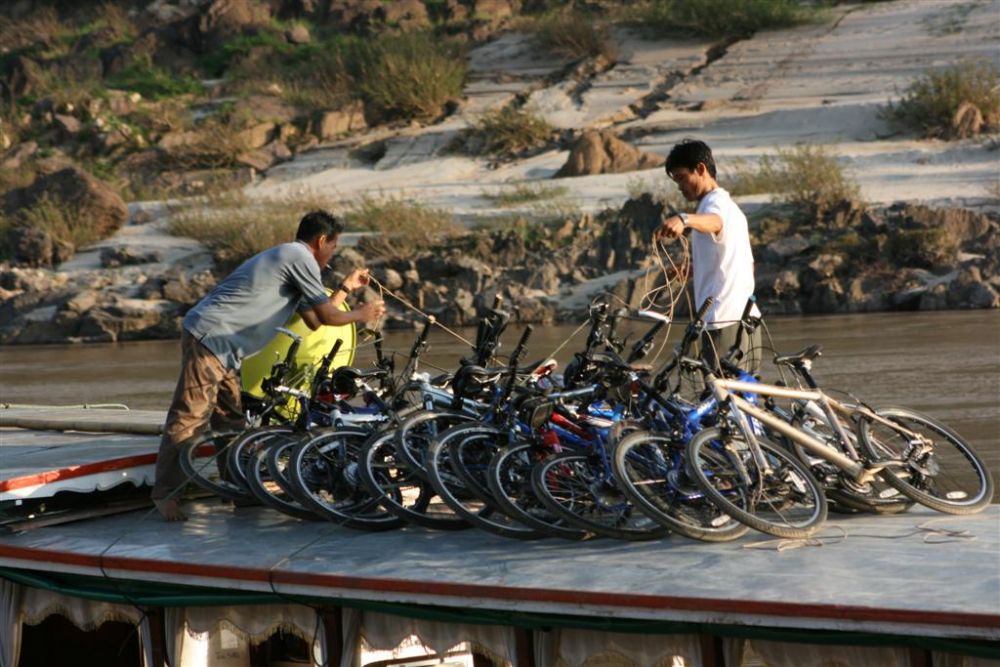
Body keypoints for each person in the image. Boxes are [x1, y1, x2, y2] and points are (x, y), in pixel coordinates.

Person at [152, 210, 385, 521]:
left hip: (228, 348)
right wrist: (362, 314)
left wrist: (344, 289)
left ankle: (238, 491)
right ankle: (165, 494)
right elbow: (330, 317)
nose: (332, 254)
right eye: (333, 247)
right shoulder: (296, 255)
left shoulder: (295, 262)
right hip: (212, 337)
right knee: (189, 416)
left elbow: (315, 320)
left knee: (231, 420)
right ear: (320, 241)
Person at [656, 139, 761, 373]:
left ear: (701, 169)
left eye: (682, 177)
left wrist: (683, 219)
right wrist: (693, 269)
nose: (680, 186)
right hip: (745, 319)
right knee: (742, 401)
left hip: (723, 321)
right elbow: (743, 264)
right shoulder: (730, 206)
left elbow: (715, 222)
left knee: (721, 400)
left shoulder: (715, 205)